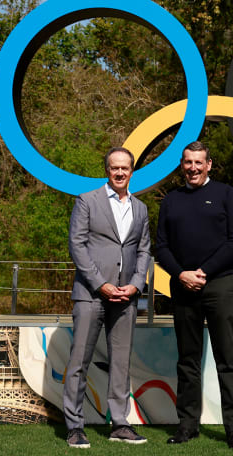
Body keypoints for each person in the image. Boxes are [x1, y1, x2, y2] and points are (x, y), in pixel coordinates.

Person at [155, 141, 233, 449]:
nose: (193, 167)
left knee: (227, 359)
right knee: (188, 360)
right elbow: (161, 247)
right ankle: (187, 425)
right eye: (188, 162)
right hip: (182, 287)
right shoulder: (171, 200)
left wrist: (202, 271)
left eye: (199, 162)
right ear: (181, 165)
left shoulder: (226, 194)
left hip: (220, 284)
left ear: (209, 165)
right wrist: (181, 273)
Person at [63, 147, 151, 448]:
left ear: (131, 170)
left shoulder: (140, 208)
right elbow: (77, 245)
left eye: (125, 168)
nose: (120, 172)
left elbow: (143, 250)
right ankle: (75, 427)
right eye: (115, 167)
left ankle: (120, 424)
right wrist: (100, 284)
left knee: (121, 363)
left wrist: (137, 284)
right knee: (79, 361)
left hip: (126, 297)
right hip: (90, 295)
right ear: (107, 169)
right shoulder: (87, 201)